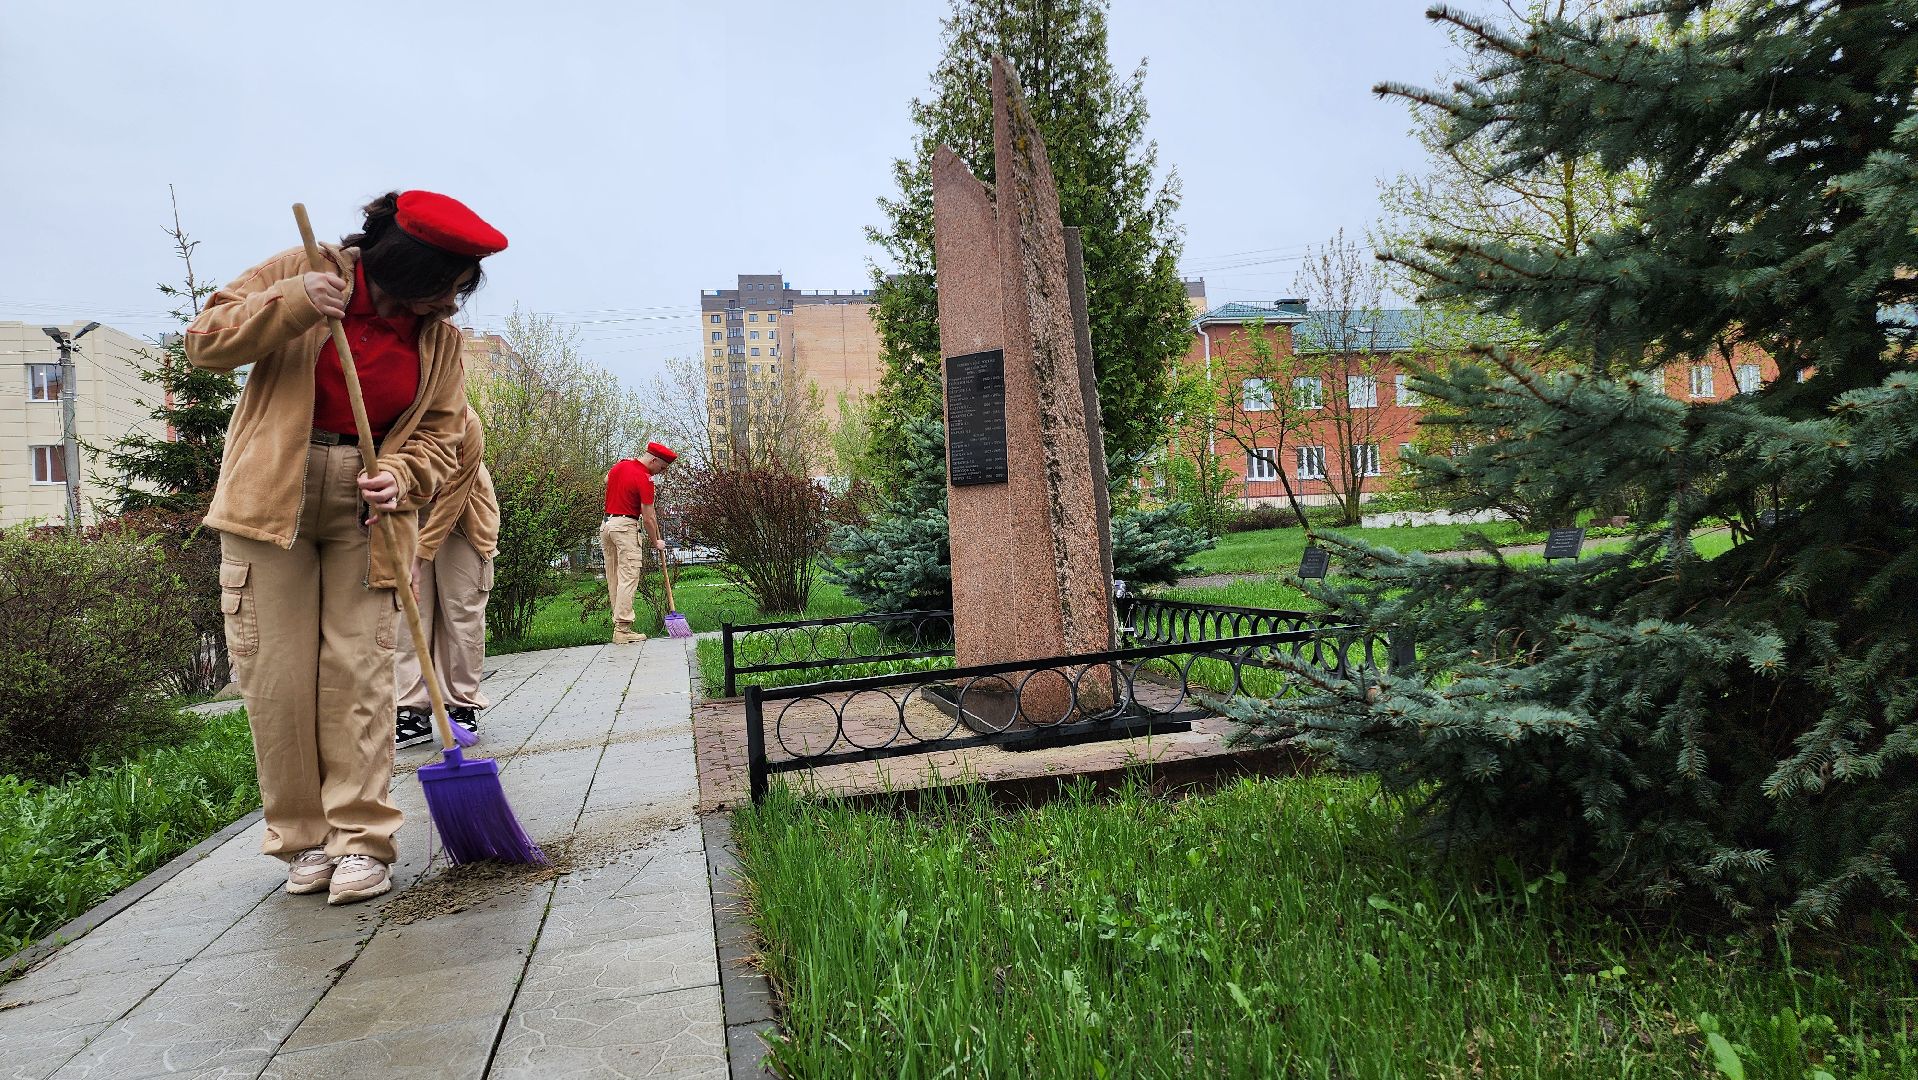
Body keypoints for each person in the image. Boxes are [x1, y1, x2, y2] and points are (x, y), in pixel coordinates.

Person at [187, 190, 506, 905]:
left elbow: (444, 434)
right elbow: (205, 341)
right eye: (446, 287)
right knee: (278, 677)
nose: (452, 307)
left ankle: (361, 839)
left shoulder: (441, 343)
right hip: (272, 499)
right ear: (406, 265)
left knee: (359, 675)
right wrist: (295, 303)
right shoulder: (302, 271)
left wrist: (403, 474)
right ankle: (303, 842)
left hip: (369, 512)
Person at [395, 405, 499, 748]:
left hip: (465, 522)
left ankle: (461, 703)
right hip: (408, 516)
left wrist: (422, 552)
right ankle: (411, 709)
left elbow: (455, 494)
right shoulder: (393, 414)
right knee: (409, 617)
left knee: (462, 615)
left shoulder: (465, 419)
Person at [600, 442, 676, 644]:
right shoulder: (645, 479)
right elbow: (649, 517)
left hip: (607, 525)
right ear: (654, 460)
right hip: (625, 528)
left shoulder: (621, 465)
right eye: (661, 468)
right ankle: (623, 629)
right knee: (628, 576)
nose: (661, 473)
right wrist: (656, 541)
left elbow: (607, 479)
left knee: (614, 577)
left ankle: (619, 627)